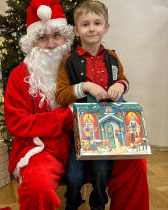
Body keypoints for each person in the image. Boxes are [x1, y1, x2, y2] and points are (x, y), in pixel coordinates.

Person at [55, 1, 149, 210]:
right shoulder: (69, 61)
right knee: (74, 174)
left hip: (108, 128)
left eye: (97, 23)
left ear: (106, 28)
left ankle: (98, 202)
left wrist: (120, 85)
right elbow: (61, 95)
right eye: (85, 24)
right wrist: (85, 86)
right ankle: (73, 200)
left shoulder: (112, 57)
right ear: (76, 30)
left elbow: (124, 79)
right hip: (81, 128)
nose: (91, 28)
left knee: (100, 170)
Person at [4, 0, 75, 209]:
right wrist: (66, 116)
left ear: (65, 37)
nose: (52, 44)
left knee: (133, 164)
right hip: (41, 150)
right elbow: (18, 122)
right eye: (42, 38)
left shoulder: (79, 66)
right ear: (32, 43)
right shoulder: (20, 75)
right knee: (36, 188)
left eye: (56, 36)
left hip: (84, 145)